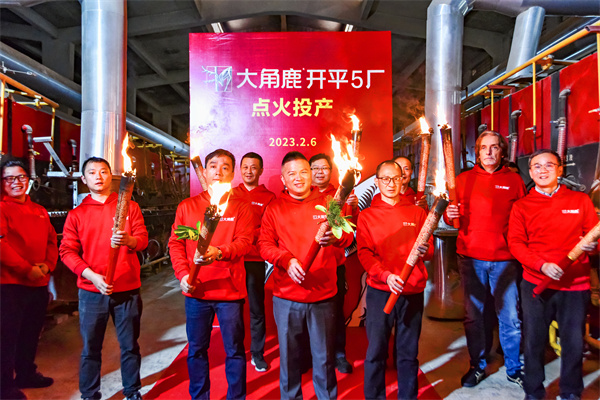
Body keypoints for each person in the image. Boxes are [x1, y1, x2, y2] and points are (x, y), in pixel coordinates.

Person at [259, 151, 353, 399]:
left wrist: (335, 238)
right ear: (283, 179)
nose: (298, 178)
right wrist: (286, 260)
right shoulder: (274, 208)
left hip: (323, 296)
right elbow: (264, 245)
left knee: (324, 358)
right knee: (290, 360)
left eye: (303, 172)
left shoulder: (330, 203)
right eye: (291, 174)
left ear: (311, 175)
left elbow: (347, 237)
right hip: (286, 297)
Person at [508, 149, 599, 400]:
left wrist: (593, 246)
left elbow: (595, 237)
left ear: (560, 170)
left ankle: (570, 391)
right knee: (534, 341)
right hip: (537, 284)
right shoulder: (521, 206)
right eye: (537, 166)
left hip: (575, 285)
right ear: (530, 172)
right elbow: (516, 244)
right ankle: (533, 391)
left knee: (573, 342)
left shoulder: (580, 201)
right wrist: (541, 265)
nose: (543, 170)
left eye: (549, 165)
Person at [60, 157, 148, 400]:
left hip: (127, 289)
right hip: (92, 291)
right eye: (92, 172)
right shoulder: (77, 214)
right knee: (91, 348)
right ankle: (90, 394)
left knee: (130, 345)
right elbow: (67, 252)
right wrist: (92, 277)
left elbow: (142, 239)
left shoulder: (130, 206)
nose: (98, 177)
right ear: (83, 179)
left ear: (112, 176)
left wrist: (129, 240)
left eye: (103, 172)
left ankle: (132, 391)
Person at [168, 149, 254, 400]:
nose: (218, 171)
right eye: (213, 166)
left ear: (232, 173)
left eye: (225, 167)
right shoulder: (187, 206)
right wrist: (183, 275)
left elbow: (245, 243)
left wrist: (219, 252)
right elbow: (176, 243)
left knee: (234, 350)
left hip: (230, 293)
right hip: (196, 291)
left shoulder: (241, 207)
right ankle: (200, 397)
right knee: (196, 350)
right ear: (204, 172)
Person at [445, 130, 526, 388]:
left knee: (510, 316)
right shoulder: (462, 180)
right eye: (483, 148)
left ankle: (514, 368)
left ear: (502, 152)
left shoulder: (514, 180)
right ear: (477, 152)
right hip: (471, 258)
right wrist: (449, 214)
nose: (489, 152)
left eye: (494, 147)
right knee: (474, 316)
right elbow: (450, 216)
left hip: (505, 259)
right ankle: (477, 366)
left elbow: (524, 217)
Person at [356, 160, 432, 400]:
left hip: (412, 291)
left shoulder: (417, 213)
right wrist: (385, 276)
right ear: (377, 182)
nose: (391, 184)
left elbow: (429, 251)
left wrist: (425, 250)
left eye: (395, 178)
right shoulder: (367, 216)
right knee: (376, 351)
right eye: (385, 179)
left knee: (408, 353)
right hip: (381, 291)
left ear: (403, 180)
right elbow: (364, 253)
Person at [0, 160, 57, 400]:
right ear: (3, 183)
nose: (16, 182)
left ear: (28, 179)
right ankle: (4, 387)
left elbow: (52, 241)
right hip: (10, 285)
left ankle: (26, 373)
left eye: (21, 177)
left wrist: (47, 265)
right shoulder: (2, 209)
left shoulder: (39, 210)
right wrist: (26, 269)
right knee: (6, 337)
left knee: (31, 334)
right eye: (10, 178)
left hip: (38, 283)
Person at [309, 153, 358, 374]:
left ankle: (338, 353)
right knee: (307, 312)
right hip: (309, 265)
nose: (319, 172)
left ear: (331, 171)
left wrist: (352, 209)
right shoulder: (303, 195)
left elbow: (346, 234)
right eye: (315, 168)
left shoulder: (338, 196)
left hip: (333, 265)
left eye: (324, 168)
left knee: (335, 312)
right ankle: (307, 354)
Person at [230, 152, 276, 372]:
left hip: (255, 259)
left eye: (253, 167)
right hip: (232, 259)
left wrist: (246, 237)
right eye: (245, 167)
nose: (249, 171)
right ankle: (235, 351)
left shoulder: (269, 197)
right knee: (232, 309)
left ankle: (257, 353)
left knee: (256, 308)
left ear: (261, 170)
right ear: (240, 170)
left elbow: (269, 228)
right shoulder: (230, 194)